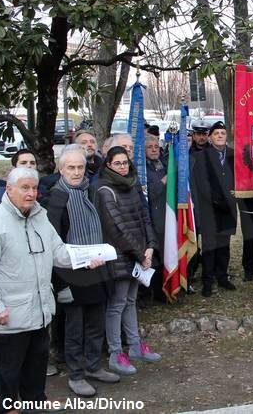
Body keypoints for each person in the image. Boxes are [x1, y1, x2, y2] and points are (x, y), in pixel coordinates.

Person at [0, 167, 103, 413]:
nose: (31, 194)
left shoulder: (40, 216)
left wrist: (86, 259)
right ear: (9, 189)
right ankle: (5, 409)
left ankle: (35, 402)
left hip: (39, 310)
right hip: (8, 315)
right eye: (24, 188)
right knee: (8, 371)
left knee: (36, 364)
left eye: (34, 188)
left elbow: (59, 252)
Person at [45, 145, 118, 397]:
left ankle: (93, 366)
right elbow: (54, 243)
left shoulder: (92, 190)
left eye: (80, 167)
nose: (77, 173)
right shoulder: (55, 198)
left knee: (96, 325)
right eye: (71, 168)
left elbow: (105, 225)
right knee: (74, 330)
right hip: (71, 274)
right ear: (61, 169)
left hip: (97, 270)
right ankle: (76, 375)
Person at [95, 146, 161, 375]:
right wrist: (141, 254)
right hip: (120, 257)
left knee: (131, 301)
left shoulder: (132, 184)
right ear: (108, 165)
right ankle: (115, 353)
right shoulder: (105, 190)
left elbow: (145, 217)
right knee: (117, 305)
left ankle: (135, 346)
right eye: (118, 163)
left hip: (140, 255)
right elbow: (117, 230)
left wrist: (151, 246)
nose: (123, 167)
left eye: (125, 162)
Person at [190, 121, 237, 296]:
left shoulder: (233, 155)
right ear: (210, 137)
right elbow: (202, 183)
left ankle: (222, 276)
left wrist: (231, 200)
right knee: (209, 246)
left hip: (229, 208)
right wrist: (217, 201)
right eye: (216, 133)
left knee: (224, 245)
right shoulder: (202, 156)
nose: (219, 136)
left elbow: (237, 180)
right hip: (210, 208)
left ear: (226, 136)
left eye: (222, 133)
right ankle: (207, 280)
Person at [144, 134, 167, 303]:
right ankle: (151, 291)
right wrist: (165, 180)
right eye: (150, 147)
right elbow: (149, 192)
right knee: (154, 256)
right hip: (151, 217)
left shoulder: (164, 164)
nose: (154, 149)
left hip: (166, 216)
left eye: (156, 147)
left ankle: (164, 288)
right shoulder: (142, 168)